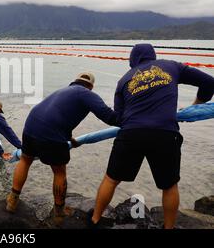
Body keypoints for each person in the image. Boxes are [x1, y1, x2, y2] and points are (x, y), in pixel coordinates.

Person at [88, 43, 214, 229]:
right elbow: (209, 82)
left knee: (111, 179)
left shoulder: (124, 80)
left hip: (131, 133)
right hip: (165, 133)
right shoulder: (171, 66)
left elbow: (120, 118)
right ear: (153, 56)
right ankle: (168, 227)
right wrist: (194, 106)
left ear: (133, 60)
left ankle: (95, 220)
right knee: (169, 186)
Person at [6, 72, 119, 224]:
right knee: (59, 171)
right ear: (91, 86)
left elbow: (57, 117)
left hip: (30, 127)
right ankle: (59, 213)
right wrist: (132, 120)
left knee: (25, 160)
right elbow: (109, 116)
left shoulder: (62, 91)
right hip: (51, 134)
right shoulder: (86, 93)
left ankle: (12, 201)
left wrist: (71, 139)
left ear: (74, 81)